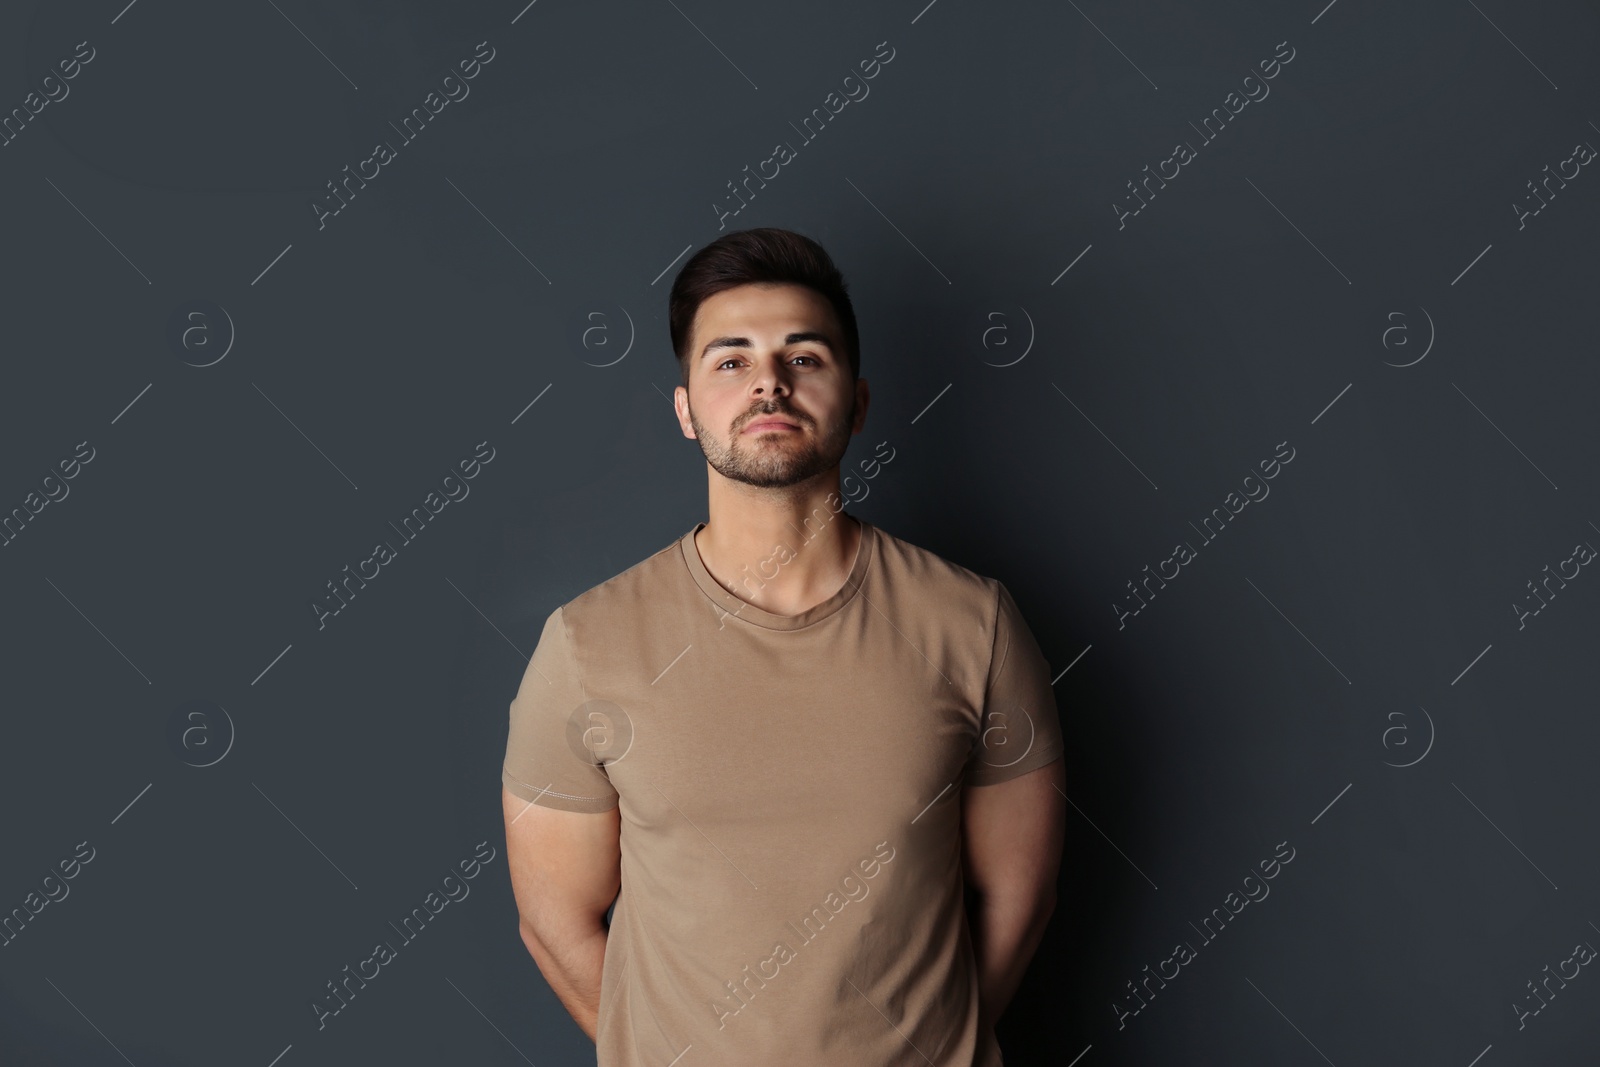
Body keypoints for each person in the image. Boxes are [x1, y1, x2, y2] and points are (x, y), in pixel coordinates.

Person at [501, 227, 1064, 1066]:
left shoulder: (973, 623)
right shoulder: (588, 644)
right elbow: (555, 923)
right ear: (686, 409)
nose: (769, 381)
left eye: (805, 357)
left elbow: (1018, 894)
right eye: (730, 360)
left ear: (859, 402)